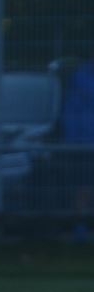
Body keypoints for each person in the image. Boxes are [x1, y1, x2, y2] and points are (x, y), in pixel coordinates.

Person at [62, 54, 94, 242]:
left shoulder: (79, 79)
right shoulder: (80, 80)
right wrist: (72, 140)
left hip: (82, 142)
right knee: (84, 187)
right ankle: (81, 229)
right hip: (84, 144)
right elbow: (71, 114)